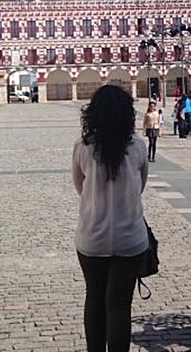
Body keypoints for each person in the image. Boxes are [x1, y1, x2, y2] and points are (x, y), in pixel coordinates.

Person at [72, 85, 149, 352]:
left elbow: (79, 187)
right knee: (119, 304)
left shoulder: (83, 148)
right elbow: (140, 187)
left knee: (94, 297)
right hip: (131, 239)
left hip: (92, 237)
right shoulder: (139, 146)